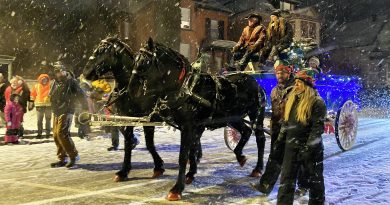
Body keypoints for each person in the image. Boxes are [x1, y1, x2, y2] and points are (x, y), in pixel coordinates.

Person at [276, 69, 326, 205]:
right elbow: (286, 123)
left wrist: (307, 150)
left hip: (311, 150)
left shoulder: (317, 102)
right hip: (291, 147)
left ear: (307, 85)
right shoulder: (292, 100)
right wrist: (280, 139)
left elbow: (317, 129)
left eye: (299, 83)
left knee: (315, 183)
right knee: (286, 181)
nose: (296, 85)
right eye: (296, 82)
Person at [251, 61, 295, 194]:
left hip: (291, 129)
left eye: (283, 72)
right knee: (275, 157)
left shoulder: (295, 89)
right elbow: (275, 111)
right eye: (278, 73)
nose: (280, 75)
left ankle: (301, 186)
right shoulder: (275, 91)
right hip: (277, 129)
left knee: (293, 159)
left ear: (289, 73)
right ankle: (266, 185)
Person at [49, 61, 87, 168]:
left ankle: (74, 156)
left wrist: (84, 108)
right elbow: (51, 95)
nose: (60, 73)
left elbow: (82, 95)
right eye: (57, 72)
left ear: (65, 71)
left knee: (62, 133)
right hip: (57, 110)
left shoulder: (72, 82)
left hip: (67, 110)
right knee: (56, 135)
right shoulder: (55, 83)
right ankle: (62, 158)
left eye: (61, 71)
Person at [30, 74, 52, 138]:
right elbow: (32, 95)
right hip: (39, 105)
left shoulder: (51, 86)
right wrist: (31, 103)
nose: (44, 80)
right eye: (43, 79)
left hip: (48, 105)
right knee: (39, 120)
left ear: (48, 80)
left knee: (48, 120)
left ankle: (48, 133)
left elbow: (54, 94)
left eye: (46, 79)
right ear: (40, 80)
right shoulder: (36, 86)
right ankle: (39, 133)